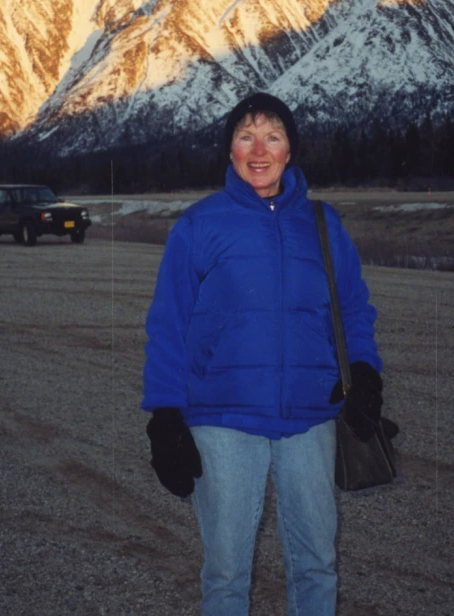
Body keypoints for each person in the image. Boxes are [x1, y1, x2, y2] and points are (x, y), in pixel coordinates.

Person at [141, 92, 388, 615]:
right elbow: (168, 324)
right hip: (223, 420)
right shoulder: (198, 226)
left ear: (289, 151)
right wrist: (164, 416)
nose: (259, 149)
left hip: (310, 418)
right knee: (228, 573)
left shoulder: (323, 224)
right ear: (229, 150)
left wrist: (365, 371)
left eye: (273, 136)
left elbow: (353, 309)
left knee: (316, 564)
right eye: (246, 135)